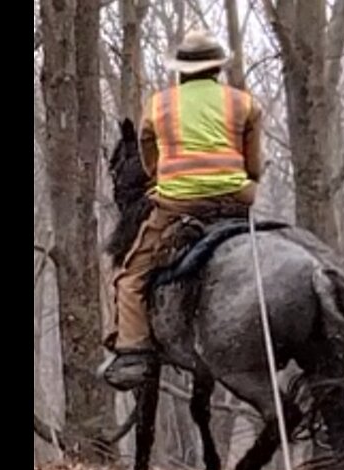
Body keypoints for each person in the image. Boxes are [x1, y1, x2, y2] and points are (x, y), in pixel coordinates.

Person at [101, 28, 263, 391]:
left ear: (181, 71)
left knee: (130, 276)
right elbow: (253, 165)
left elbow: (149, 156)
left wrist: (165, 176)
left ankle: (133, 351)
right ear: (217, 68)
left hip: (179, 203)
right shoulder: (244, 103)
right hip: (237, 200)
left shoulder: (159, 105)